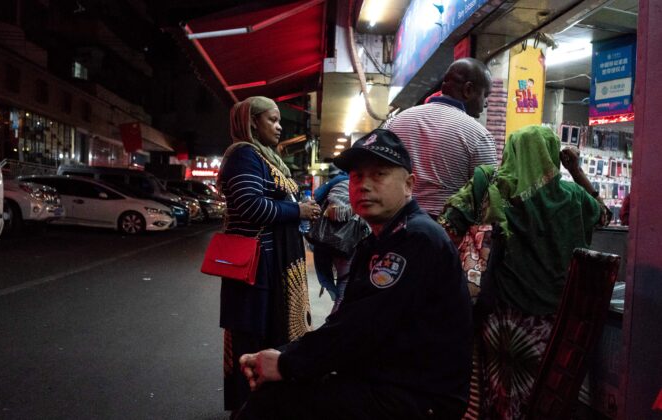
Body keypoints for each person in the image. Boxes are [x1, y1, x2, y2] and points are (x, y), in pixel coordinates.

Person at [236, 128, 473, 420]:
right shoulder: (379, 239)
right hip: (386, 376)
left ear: (409, 185)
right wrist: (283, 354)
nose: (364, 185)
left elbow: (361, 328)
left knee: (274, 403)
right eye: (357, 176)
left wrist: (286, 363)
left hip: (419, 396)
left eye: (379, 174)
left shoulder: (416, 238)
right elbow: (345, 321)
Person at [439, 125, 610, 419]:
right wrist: (576, 171)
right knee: (538, 396)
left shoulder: (494, 188)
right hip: (551, 323)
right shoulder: (573, 197)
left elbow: (447, 225)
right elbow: (604, 214)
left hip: (499, 315)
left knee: (496, 394)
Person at [217, 96, 321, 416]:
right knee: (253, 340)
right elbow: (250, 206)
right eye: (271, 120)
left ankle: (268, 405)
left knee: (271, 337)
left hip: (271, 267)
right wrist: (297, 210)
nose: (278, 127)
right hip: (255, 270)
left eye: (279, 121)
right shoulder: (244, 155)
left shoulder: (268, 158)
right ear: (251, 123)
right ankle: (250, 408)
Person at [384, 57, 498, 218]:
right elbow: (489, 199)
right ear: (468, 90)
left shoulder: (394, 122)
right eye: (485, 95)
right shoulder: (478, 135)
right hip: (445, 235)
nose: (486, 103)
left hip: (394, 228)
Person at [310, 164, 350, 302]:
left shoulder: (338, 179)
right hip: (355, 238)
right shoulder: (363, 181)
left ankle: (329, 287)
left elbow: (317, 196)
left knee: (321, 256)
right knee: (346, 281)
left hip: (331, 235)